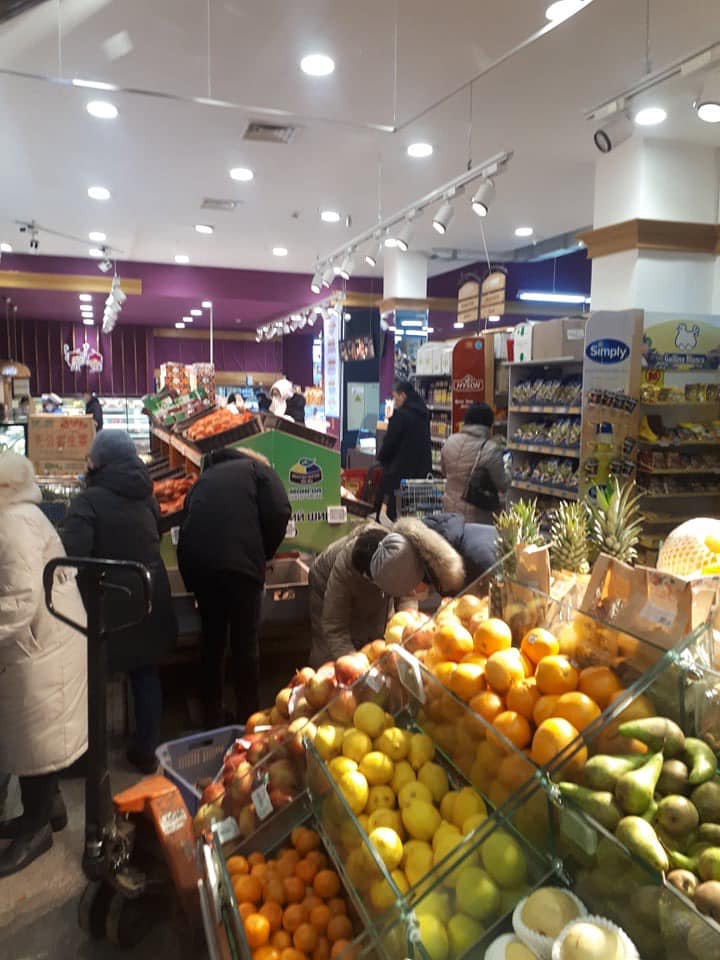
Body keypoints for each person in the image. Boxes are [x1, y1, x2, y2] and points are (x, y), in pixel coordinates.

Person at [63, 430, 177, 774]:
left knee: (94, 677)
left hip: (108, 599)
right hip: (149, 591)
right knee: (145, 672)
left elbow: (74, 554)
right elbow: (154, 532)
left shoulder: (87, 501)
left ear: (98, 461)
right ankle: (146, 752)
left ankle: (89, 756)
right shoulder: (146, 494)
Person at [0, 452, 87, 875]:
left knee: (36, 735)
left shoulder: (11, 524)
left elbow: (19, 600)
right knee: (39, 734)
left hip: (41, 644)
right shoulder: (22, 515)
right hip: (50, 636)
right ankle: (48, 810)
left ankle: (36, 830)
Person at [178, 447, 291, 724]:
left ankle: (211, 714)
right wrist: (264, 551)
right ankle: (248, 716)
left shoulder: (204, 479)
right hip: (241, 569)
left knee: (212, 641)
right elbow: (280, 510)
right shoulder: (260, 471)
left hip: (200, 566)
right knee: (245, 642)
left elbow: (187, 520)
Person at [308, 517, 465, 667]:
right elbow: (334, 627)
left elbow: (406, 596)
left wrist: (409, 633)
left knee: (379, 635)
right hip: (324, 584)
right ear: (373, 579)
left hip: (373, 579)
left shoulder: (397, 553)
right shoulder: (345, 572)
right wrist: (354, 663)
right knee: (330, 652)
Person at [441, 402, 507, 524]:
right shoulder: (491, 449)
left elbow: (444, 472)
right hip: (477, 516)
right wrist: (511, 470)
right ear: (489, 424)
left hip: (449, 513)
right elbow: (502, 484)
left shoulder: (450, 441)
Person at [376, 380, 432, 520]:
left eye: (395, 398)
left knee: (395, 514)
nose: (395, 402)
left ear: (403, 395)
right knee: (414, 515)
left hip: (399, 474)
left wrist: (381, 458)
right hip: (420, 474)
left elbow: (389, 443)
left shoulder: (400, 416)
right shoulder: (424, 415)